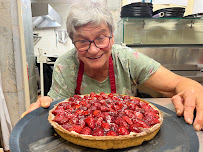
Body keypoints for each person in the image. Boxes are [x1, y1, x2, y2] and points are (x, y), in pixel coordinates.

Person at [21, 0, 203, 131]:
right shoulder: (65, 65)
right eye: (83, 41)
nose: (93, 50)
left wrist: (194, 90)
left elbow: (180, 84)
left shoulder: (128, 59)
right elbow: (55, 109)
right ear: (72, 42)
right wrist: (41, 110)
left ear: (112, 36)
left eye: (100, 38)